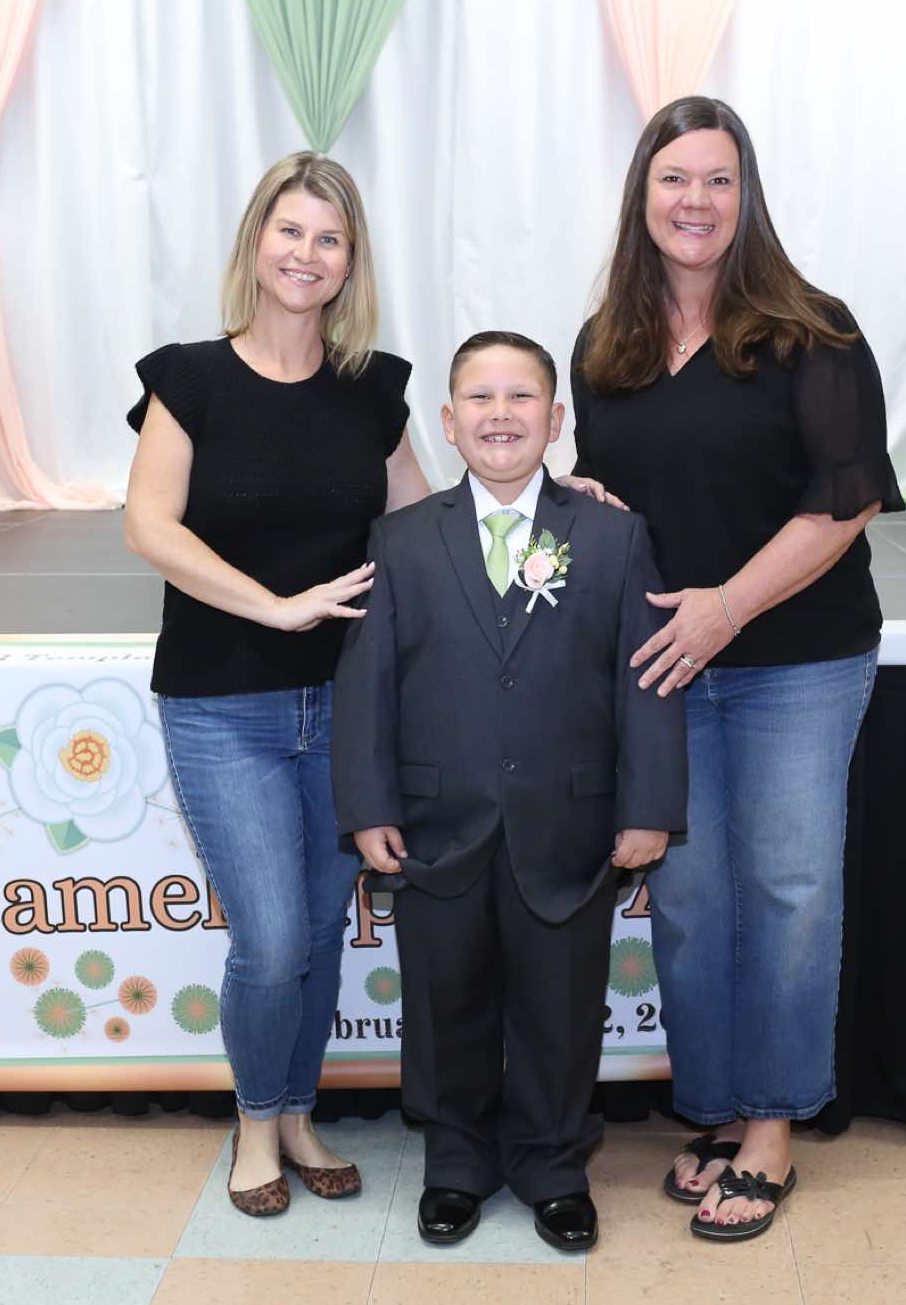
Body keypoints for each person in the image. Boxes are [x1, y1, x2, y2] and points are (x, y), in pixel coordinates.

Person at [567, 96, 906, 1242]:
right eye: (674, 179)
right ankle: (713, 1105)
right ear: (642, 196)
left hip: (793, 661)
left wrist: (727, 608)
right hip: (666, 664)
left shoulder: (811, 331)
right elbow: (618, 489)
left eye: (717, 179)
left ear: (745, 196)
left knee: (788, 890)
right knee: (691, 899)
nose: (695, 201)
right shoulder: (606, 343)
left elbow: (845, 501)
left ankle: (770, 1123)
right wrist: (587, 506)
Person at [123, 152, 430, 1217]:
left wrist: (547, 497)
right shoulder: (188, 379)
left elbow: (420, 528)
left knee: (320, 930)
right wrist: (274, 605)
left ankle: (298, 1114)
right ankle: (255, 1124)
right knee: (271, 940)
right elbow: (148, 526)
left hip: (345, 708)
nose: (307, 254)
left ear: (351, 262)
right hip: (223, 705)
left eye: (329, 239)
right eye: (290, 231)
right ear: (257, 241)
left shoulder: (374, 390)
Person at [332, 331, 687, 1252]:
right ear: (447, 423)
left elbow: (643, 678)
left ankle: (553, 1164)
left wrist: (649, 806)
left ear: (556, 418)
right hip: (436, 824)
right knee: (444, 1002)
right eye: (479, 399)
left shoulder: (612, 535)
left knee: (560, 1005)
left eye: (521, 397)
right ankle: (455, 1162)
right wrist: (368, 804)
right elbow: (368, 683)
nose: (501, 414)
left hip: (569, 822)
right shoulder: (401, 538)